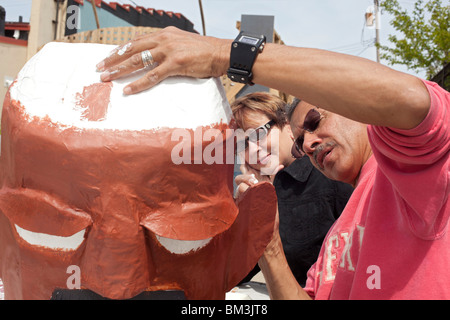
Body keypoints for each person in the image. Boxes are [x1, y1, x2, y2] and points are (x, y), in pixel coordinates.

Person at [96, 26, 450, 299]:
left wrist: (226, 54)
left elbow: (409, 98)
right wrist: (268, 245)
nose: (308, 145)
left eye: (315, 122)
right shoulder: (339, 234)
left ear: (354, 109)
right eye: (299, 143)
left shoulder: (412, 168)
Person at [231, 92, 353, 287]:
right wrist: (244, 215)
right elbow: (234, 274)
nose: (253, 150)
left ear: (286, 125)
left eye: (258, 134)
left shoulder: (329, 171)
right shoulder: (264, 191)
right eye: (242, 144)